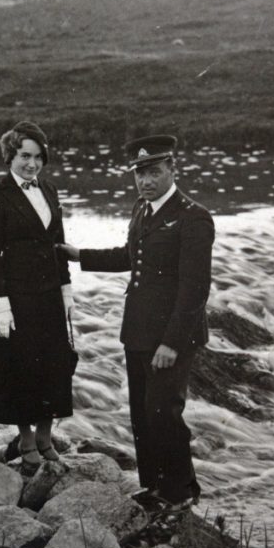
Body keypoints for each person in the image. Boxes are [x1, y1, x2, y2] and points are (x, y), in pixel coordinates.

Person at [58, 135, 214, 511]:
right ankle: (154, 487)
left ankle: (180, 492)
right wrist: (80, 256)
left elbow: (195, 289)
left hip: (170, 336)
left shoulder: (193, 217)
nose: (146, 181)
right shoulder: (142, 209)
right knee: (143, 414)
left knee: (165, 412)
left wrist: (172, 343)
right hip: (139, 330)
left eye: (154, 172)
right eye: (140, 174)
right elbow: (131, 256)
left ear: (172, 170)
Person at [0, 121, 75, 476]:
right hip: (16, 298)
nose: (31, 164)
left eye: (37, 157)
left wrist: (66, 289)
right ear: (10, 156)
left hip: (49, 294)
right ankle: (25, 440)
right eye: (24, 156)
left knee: (53, 365)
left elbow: (59, 243)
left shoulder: (49, 190)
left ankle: (47, 436)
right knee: (19, 367)